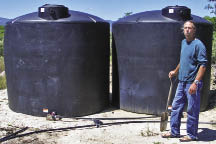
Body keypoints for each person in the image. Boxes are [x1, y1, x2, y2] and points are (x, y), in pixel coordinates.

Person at [162, 20, 207, 142]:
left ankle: (192, 135)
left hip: (192, 83)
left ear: (194, 30)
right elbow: (183, 60)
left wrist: (196, 83)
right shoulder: (183, 42)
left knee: (192, 109)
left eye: (190, 28)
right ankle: (174, 132)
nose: (187, 30)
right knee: (176, 107)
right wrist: (175, 71)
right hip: (181, 82)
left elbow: (203, 65)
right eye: (185, 28)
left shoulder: (199, 45)